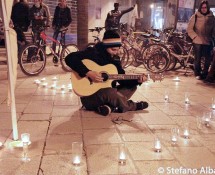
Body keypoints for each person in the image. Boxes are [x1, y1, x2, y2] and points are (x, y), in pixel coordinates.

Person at [65, 30, 148, 116]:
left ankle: (108, 107)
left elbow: (122, 79)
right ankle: (132, 106)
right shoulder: (93, 53)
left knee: (131, 87)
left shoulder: (115, 60)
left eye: (118, 49)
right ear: (105, 46)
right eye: (113, 50)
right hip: (89, 98)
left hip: (107, 95)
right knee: (110, 92)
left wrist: (138, 80)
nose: (116, 52)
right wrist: (88, 72)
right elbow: (69, 58)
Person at [187, 0, 215, 80]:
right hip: (198, 41)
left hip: (208, 41)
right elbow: (189, 29)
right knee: (197, 58)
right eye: (202, 7)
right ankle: (197, 73)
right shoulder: (195, 16)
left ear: (208, 8)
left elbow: (214, 29)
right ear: (200, 8)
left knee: (208, 59)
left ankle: (205, 73)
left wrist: (213, 37)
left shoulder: (212, 17)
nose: (204, 9)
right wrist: (195, 37)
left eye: (205, 7)